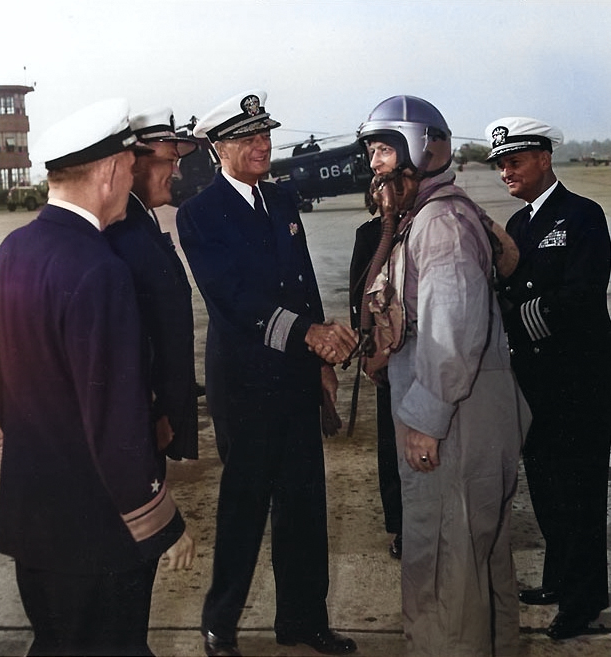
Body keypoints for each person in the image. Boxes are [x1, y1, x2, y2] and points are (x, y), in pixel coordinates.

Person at [0, 98, 195, 657]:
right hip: (98, 530)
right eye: (130, 165)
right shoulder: (99, 269)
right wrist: (160, 520)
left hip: (33, 523)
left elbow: (1, 386)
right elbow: (116, 419)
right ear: (107, 172)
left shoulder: (12, 251)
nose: (133, 174)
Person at [176, 90, 358, 657]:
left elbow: (302, 284)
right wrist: (307, 335)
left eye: (265, 134)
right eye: (248, 138)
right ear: (218, 147)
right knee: (244, 509)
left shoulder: (281, 201)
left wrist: (321, 362)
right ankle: (220, 624)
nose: (263, 145)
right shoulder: (199, 214)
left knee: (304, 506)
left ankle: (304, 621)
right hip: (247, 387)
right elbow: (232, 298)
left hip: (296, 380)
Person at [357, 95, 527, 657]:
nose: (375, 163)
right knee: (478, 564)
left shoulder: (441, 224)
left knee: (446, 568)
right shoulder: (425, 218)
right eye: (373, 152)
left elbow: (451, 334)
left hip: (456, 420)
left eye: (384, 149)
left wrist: (425, 421)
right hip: (465, 414)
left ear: (421, 148)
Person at [485, 116, 611, 640]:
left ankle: (584, 602)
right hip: (534, 381)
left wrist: (514, 319)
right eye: (500, 165)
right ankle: (560, 579)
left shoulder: (583, 216)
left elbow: (581, 296)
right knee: (547, 488)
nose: (506, 172)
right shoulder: (517, 225)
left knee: (580, 494)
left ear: (544, 158)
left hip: (579, 379)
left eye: (515, 160)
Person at [105, 106, 200, 462]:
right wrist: (151, 409)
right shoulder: (122, 229)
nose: (176, 172)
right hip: (140, 420)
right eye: (167, 161)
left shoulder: (140, 220)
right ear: (136, 161)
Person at [349, 217, 402, 559]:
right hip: (391, 361)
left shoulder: (437, 222)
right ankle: (402, 526)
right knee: (392, 445)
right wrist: (369, 352)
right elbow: (359, 296)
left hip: (433, 356)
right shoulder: (371, 235)